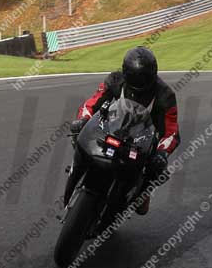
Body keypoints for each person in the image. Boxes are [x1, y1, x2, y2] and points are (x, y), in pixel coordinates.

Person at [69, 47, 180, 215]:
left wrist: (162, 153)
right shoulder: (114, 80)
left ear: (153, 73)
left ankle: (142, 191)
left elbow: (171, 131)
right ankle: (77, 168)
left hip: (144, 137)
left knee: (147, 193)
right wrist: (83, 119)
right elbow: (92, 103)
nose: (139, 81)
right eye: (134, 76)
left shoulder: (165, 95)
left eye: (143, 77)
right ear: (125, 72)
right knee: (80, 133)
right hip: (113, 126)